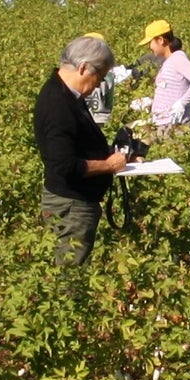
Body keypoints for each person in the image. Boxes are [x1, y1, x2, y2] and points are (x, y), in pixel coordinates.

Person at [34, 34, 136, 267]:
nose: (100, 84)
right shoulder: (57, 104)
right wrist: (109, 166)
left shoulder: (68, 95)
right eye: (99, 77)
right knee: (70, 272)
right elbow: (65, 165)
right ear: (82, 68)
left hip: (75, 202)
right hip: (71, 206)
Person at [144, 19, 190, 130]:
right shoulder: (169, 61)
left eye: (150, 42)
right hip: (165, 123)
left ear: (160, 40)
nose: (149, 46)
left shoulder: (177, 58)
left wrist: (182, 104)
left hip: (176, 125)